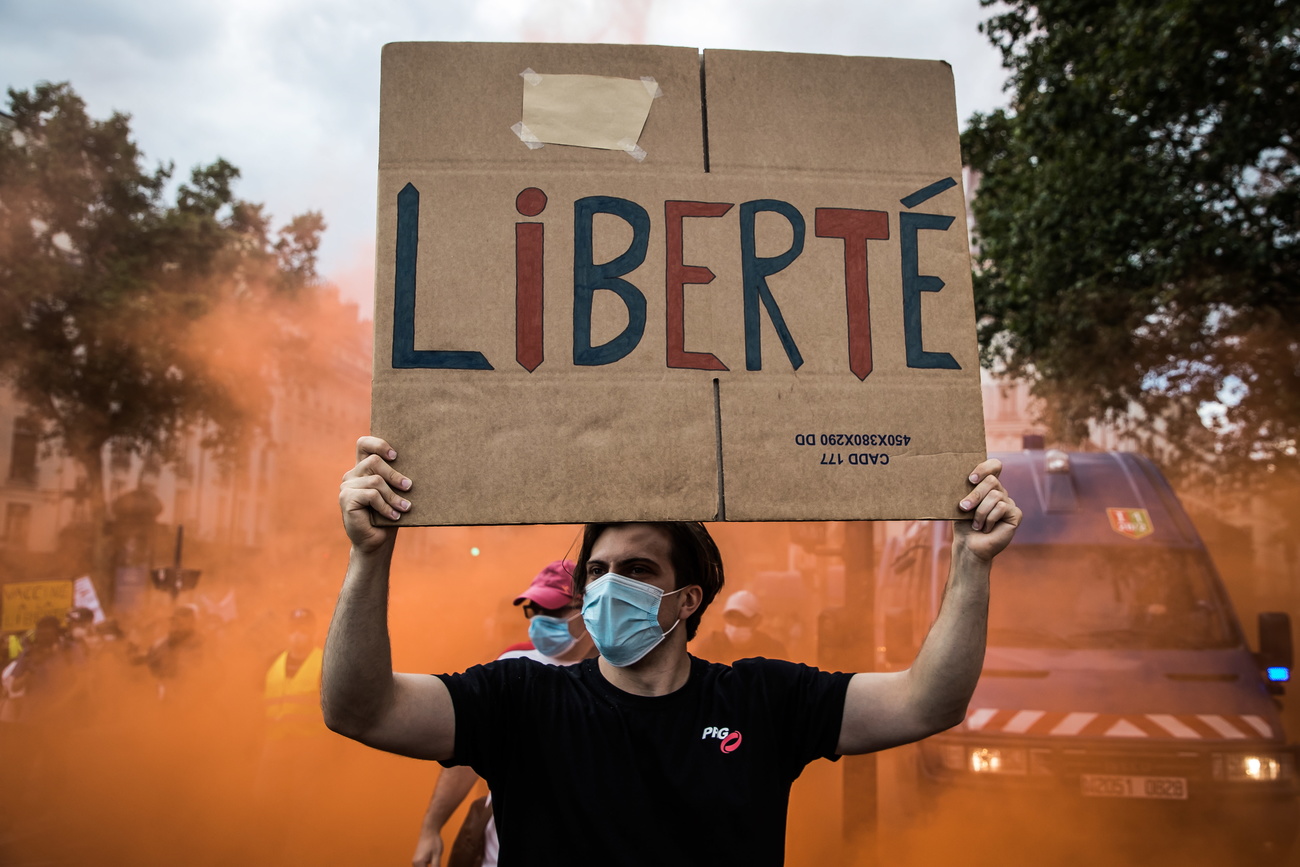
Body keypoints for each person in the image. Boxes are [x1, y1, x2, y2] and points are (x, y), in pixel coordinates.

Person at [325, 436, 1020, 866]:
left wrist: (972, 560)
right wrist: (369, 555)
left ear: (686, 600)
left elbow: (931, 699)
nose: (606, 587)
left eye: (637, 570)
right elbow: (360, 708)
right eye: (596, 571)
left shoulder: (763, 699)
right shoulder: (521, 699)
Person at [411, 560, 597, 867]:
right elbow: (467, 758)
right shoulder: (514, 663)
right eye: (532, 610)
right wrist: (431, 827)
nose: (538, 620)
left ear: (590, 609)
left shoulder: (624, 675)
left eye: (552, 610)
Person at [693, 589, 788, 662]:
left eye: (742, 619)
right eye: (731, 618)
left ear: (757, 620)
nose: (736, 623)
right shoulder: (710, 646)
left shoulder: (772, 650)